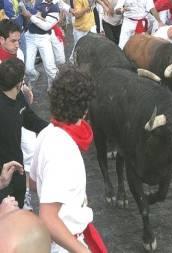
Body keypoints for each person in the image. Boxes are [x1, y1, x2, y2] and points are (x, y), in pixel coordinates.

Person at [29, 65, 106, 253]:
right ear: (85, 109)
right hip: (65, 244)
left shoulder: (47, 133)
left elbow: (32, 182)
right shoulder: (64, 149)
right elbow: (48, 217)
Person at [0, 57, 48, 208]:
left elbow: (29, 118)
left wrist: (55, 130)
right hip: (3, 175)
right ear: (19, 83)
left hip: (18, 168)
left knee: (19, 208)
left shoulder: (18, 96)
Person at [22, 0, 60, 91]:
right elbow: (27, 10)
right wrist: (36, 16)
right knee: (27, 68)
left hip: (44, 38)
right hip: (29, 37)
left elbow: (46, 26)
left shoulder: (55, 7)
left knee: (50, 68)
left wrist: (31, 16)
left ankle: (53, 85)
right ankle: (34, 77)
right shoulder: (38, 1)